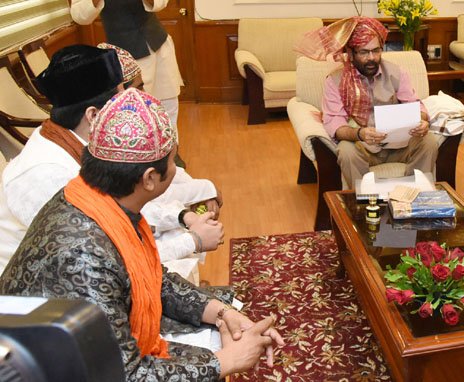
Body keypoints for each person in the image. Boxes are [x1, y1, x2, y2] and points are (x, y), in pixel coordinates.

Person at [0, 88, 284, 381]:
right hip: (57, 370)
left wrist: (222, 313)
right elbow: (122, 373)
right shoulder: (84, 254)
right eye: (173, 162)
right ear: (149, 178)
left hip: (91, 351)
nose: (175, 169)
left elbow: (149, 276)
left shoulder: (97, 198)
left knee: (222, 318)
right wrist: (224, 362)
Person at [0, 45, 220, 280]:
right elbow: (108, 257)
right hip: (39, 294)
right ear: (93, 115)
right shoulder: (45, 174)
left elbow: (118, 204)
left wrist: (182, 216)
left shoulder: (77, 139)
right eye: (121, 104)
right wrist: (193, 240)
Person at [296, 16, 439, 188]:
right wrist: (360, 134)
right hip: (362, 146)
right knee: (346, 151)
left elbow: (416, 106)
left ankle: (413, 197)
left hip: (399, 145)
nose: (371, 58)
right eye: (364, 52)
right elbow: (334, 123)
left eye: (376, 50)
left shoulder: (396, 72)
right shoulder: (335, 80)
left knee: (428, 141)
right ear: (350, 53)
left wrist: (422, 120)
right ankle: (365, 203)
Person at [70, 0, 183, 130]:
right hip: (124, 58)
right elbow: (80, 16)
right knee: (133, 114)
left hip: (158, 45)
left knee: (167, 107)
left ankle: (171, 148)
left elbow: (161, 3)